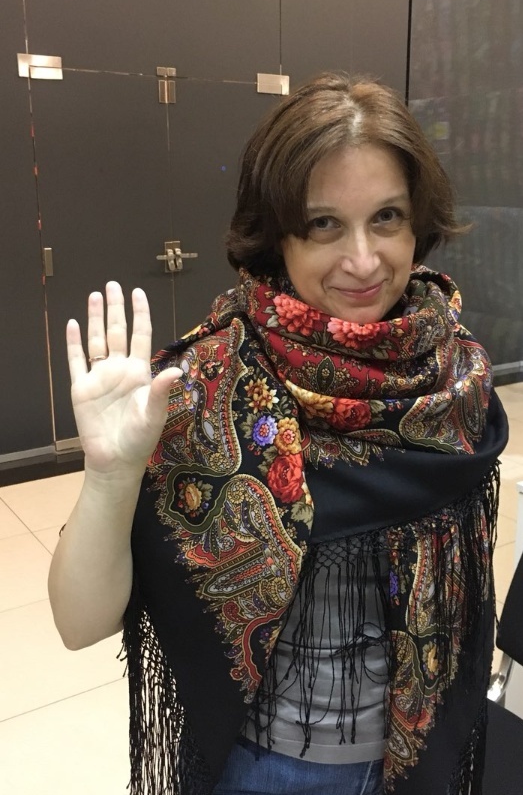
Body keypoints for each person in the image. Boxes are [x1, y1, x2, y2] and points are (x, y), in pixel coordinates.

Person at [48, 72, 508, 795]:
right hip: (271, 771)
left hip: (425, 757)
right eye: (323, 224)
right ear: (276, 238)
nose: (363, 260)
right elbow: (79, 624)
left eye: (386, 217)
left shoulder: (452, 377)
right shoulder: (202, 388)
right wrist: (109, 475)